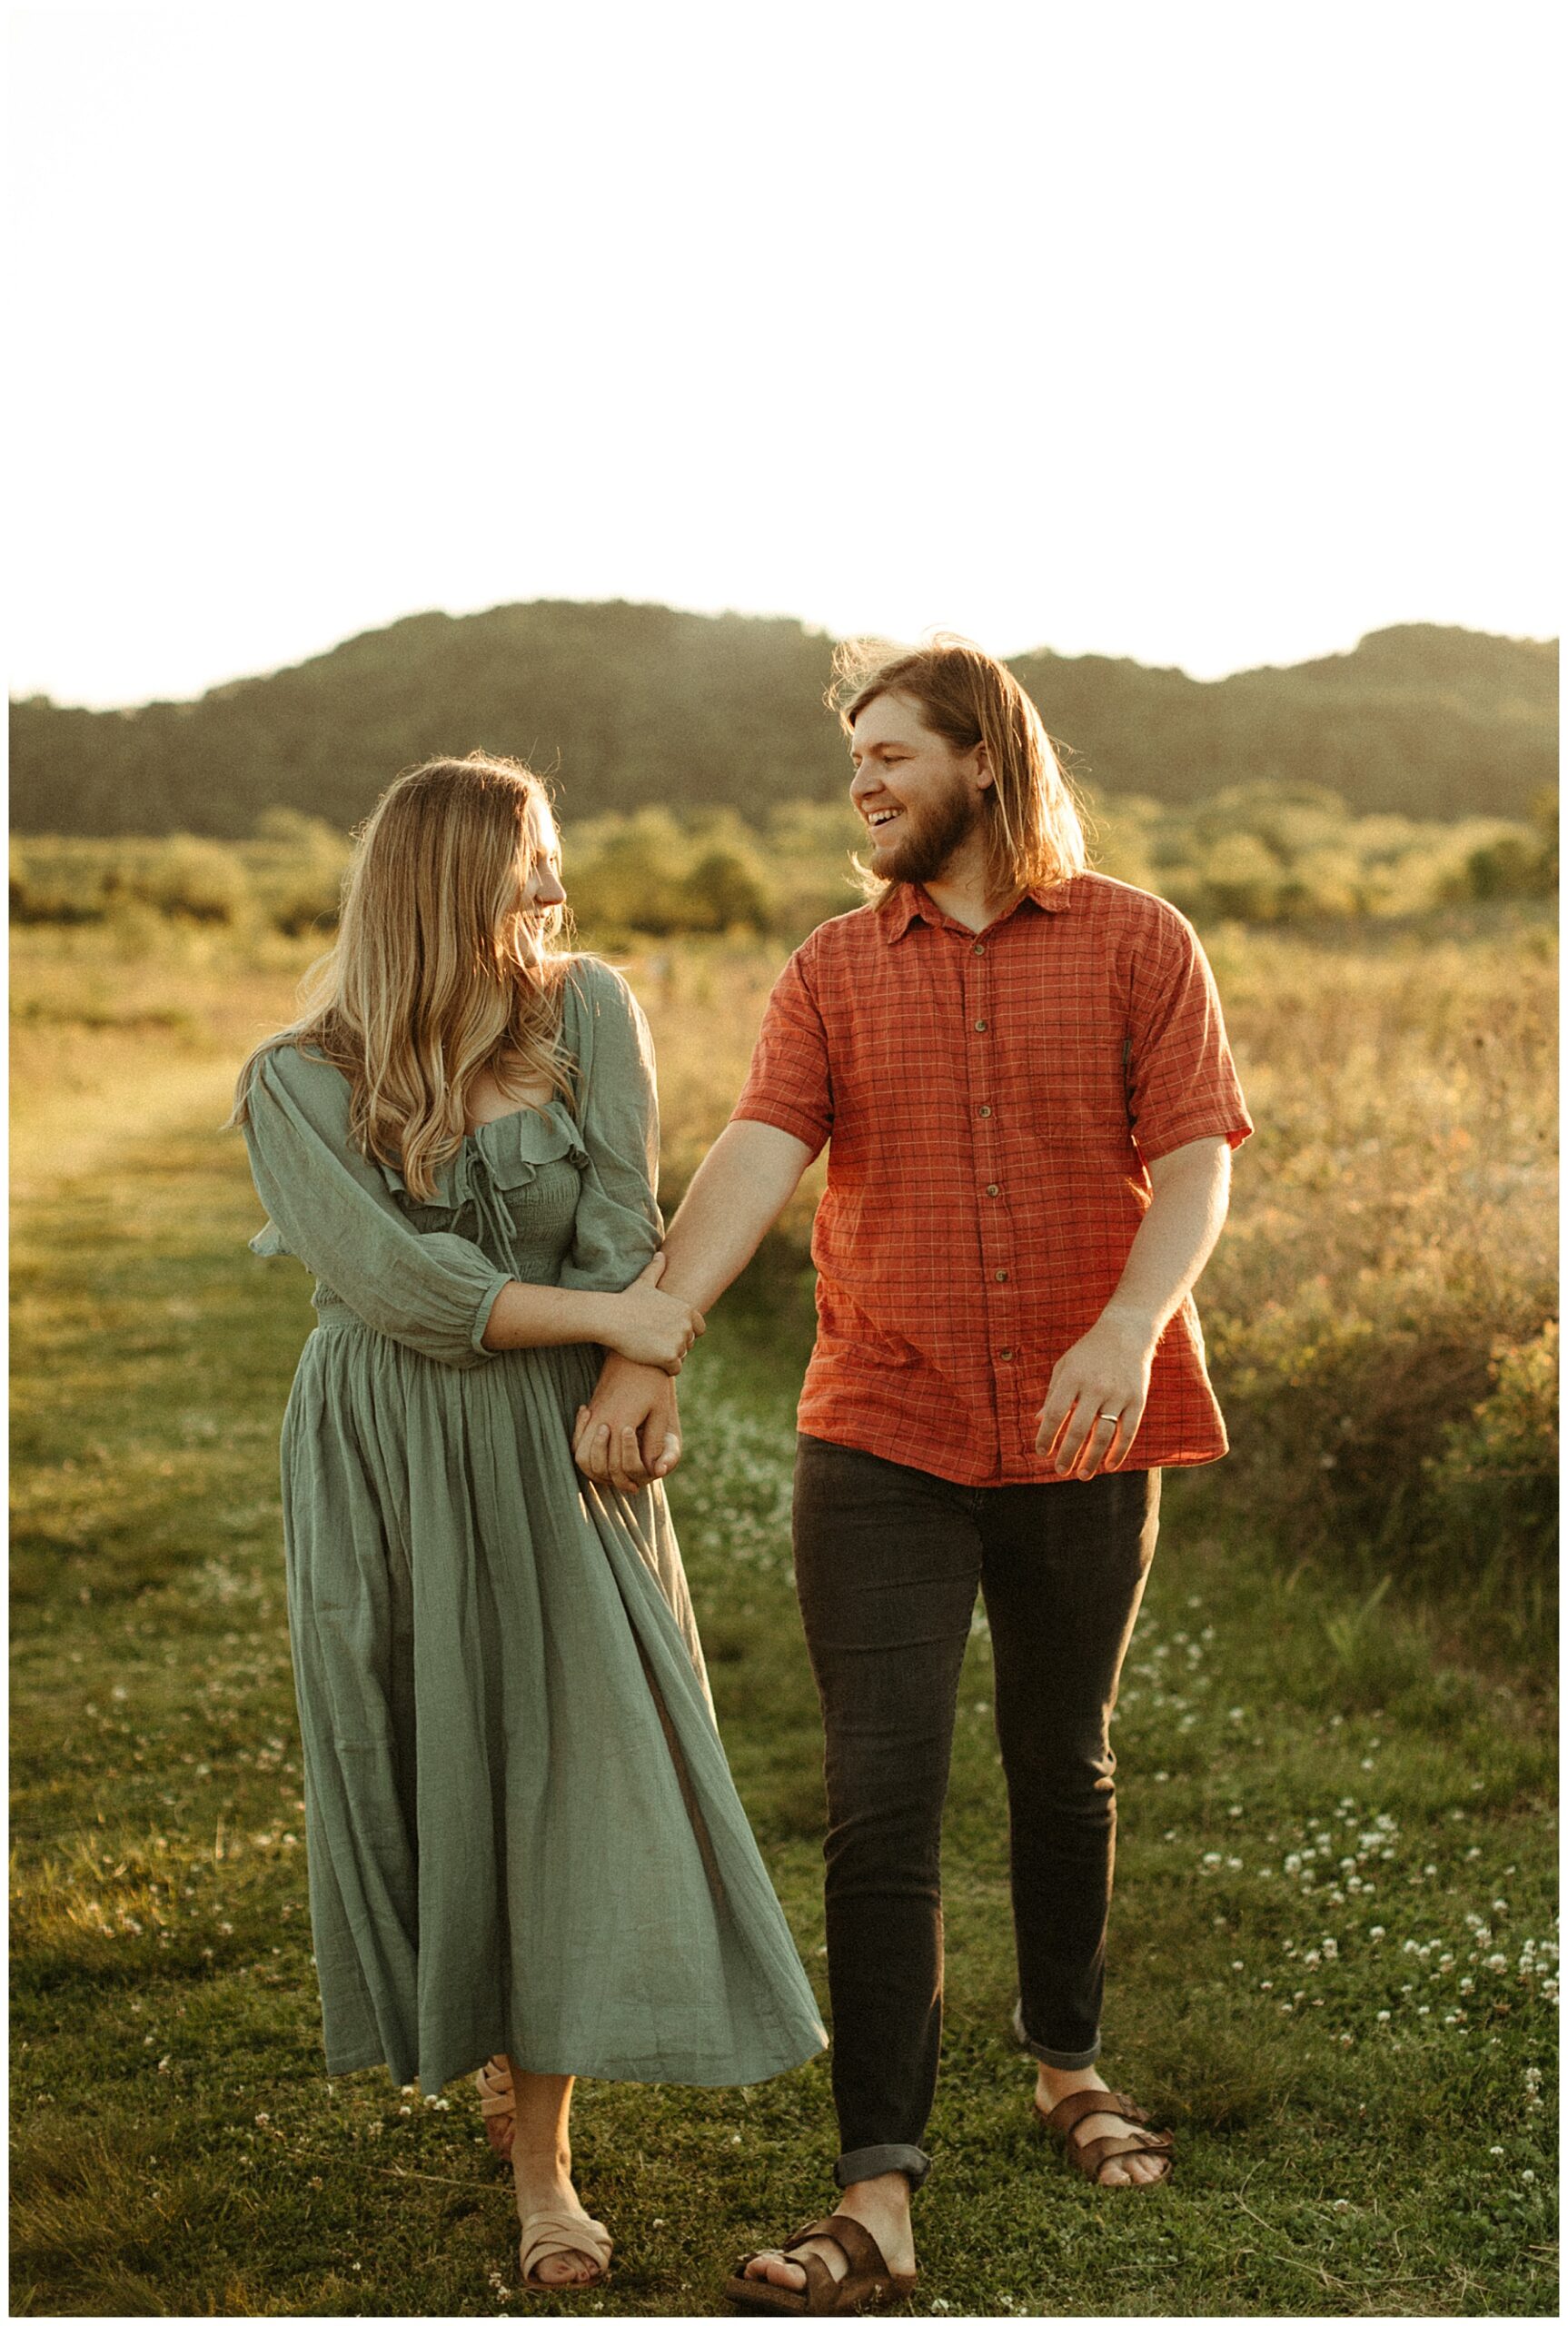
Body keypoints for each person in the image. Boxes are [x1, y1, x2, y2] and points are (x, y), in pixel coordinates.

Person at [573, 639, 1253, 2312]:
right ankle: (875, 2190)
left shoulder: (1137, 941)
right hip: (880, 1424)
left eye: (891, 754)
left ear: (983, 762)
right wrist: (652, 1328)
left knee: (1059, 1761)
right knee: (882, 1800)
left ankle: (1067, 2069)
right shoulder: (829, 969)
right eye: (854, 758)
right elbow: (753, 1158)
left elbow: (1190, 1169)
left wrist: (1127, 1327)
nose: (862, 784)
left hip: (1089, 1425)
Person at [232, 753, 825, 2294]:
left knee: (576, 1758)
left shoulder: (592, 1012)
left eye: (553, 863)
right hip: (392, 1445)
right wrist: (633, 1317)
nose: (555, 896)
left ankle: (546, 2158)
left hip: (567, 1434)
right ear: (438, 888)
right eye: (526, 870)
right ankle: (510, 2093)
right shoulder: (296, 1076)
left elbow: (628, 1208)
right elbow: (403, 1288)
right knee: (439, 1753)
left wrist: (642, 1361)